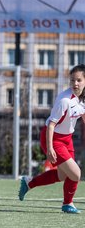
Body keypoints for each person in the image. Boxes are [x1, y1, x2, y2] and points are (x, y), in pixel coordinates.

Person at [19, 64, 85, 214]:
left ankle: (29, 183)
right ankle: (67, 204)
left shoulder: (83, 98)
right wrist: (49, 148)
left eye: (79, 80)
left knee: (63, 175)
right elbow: (51, 125)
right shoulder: (64, 100)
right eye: (72, 80)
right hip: (53, 138)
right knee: (76, 174)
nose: (75, 83)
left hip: (67, 139)